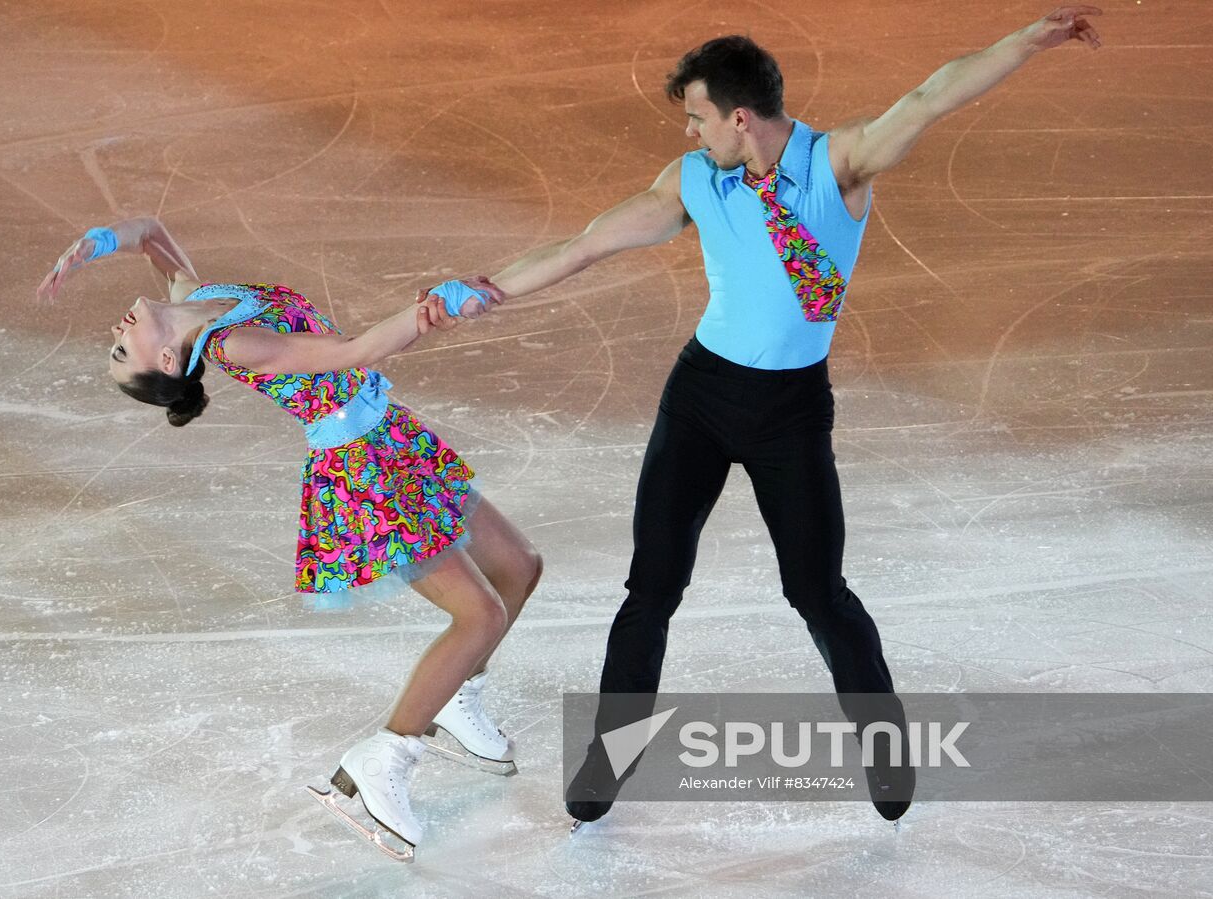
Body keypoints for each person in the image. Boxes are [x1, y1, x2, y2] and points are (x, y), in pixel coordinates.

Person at [417, 6, 1103, 828]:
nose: (692, 132)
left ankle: (885, 751)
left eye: (698, 118)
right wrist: (484, 290)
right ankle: (611, 756)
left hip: (789, 411)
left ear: (740, 117)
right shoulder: (695, 180)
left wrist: (1025, 42)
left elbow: (927, 99)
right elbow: (585, 245)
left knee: (818, 590)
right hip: (701, 398)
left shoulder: (835, 165)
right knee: (651, 588)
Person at [37, 217, 543, 861]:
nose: (114, 333)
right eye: (120, 352)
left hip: (392, 436)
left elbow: (152, 235)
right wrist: (429, 310)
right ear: (169, 361)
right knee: (480, 615)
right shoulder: (230, 346)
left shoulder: (198, 298)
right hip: (365, 471)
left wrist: (93, 246)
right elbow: (350, 352)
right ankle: (381, 761)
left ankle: (455, 695)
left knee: (520, 567)